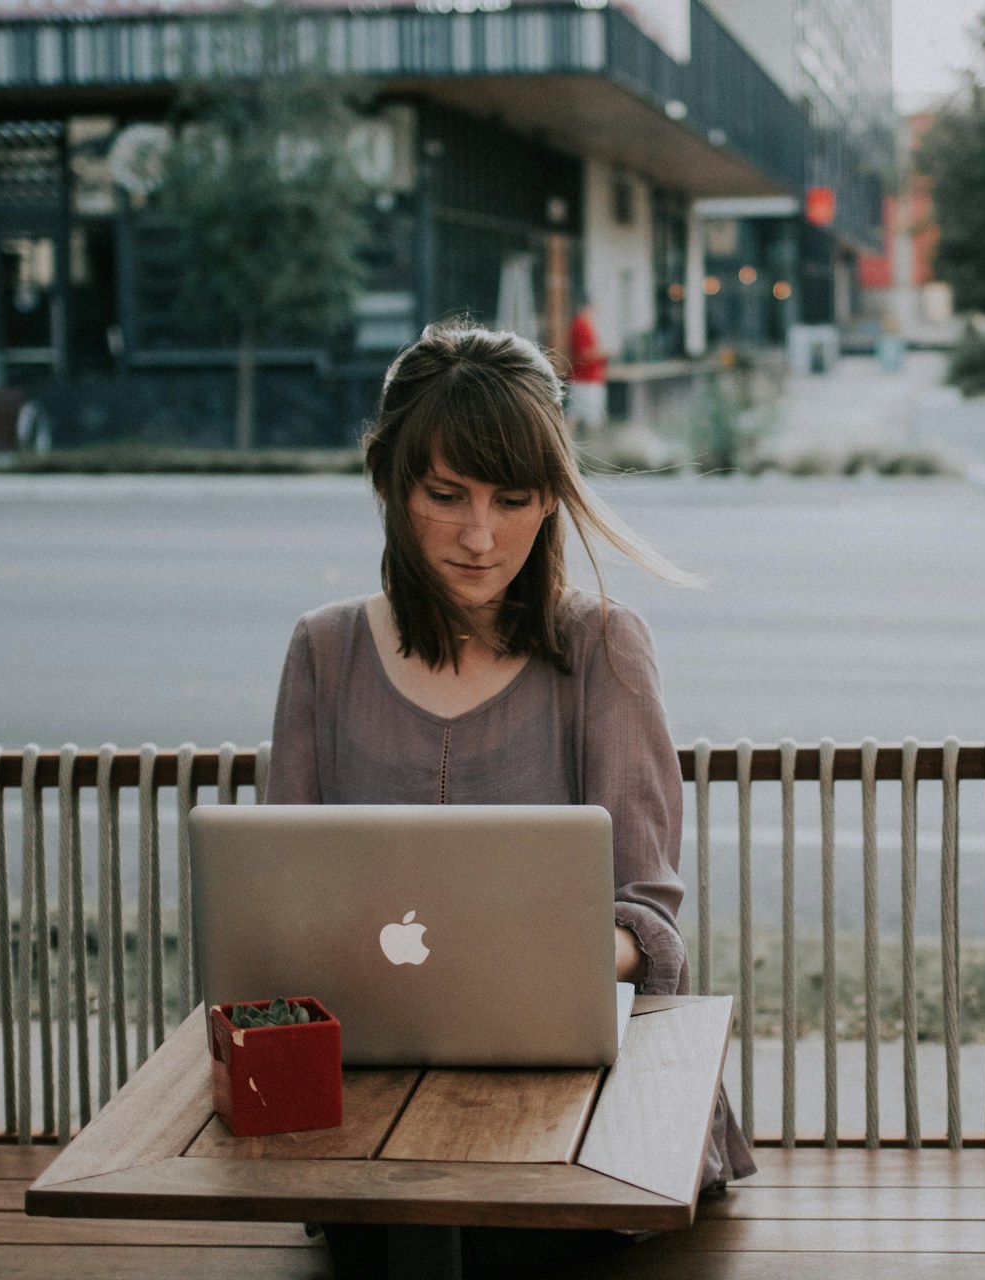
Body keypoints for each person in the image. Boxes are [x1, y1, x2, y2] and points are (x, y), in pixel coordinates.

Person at [265, 322, 753, 1277]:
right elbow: (280, 903)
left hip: (577, 1110)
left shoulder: (603, 648)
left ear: (552, 500)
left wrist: (525, 958)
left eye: (513, 499)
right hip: (369, 1107)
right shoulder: (325, 652)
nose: (480, 538)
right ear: (388, 482)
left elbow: (648, 923)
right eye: (445, 496)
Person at [565, 299, 609, 436]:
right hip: (585, 380)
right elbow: (583, 354)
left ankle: (568, 444)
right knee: (585, 416)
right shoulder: (580, 326)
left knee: (576, 415)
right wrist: (604, 353)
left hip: (588, 379)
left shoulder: (584, 325)